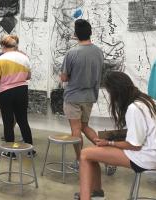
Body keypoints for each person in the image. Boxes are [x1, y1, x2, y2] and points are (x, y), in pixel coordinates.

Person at [77, 71, 156, 200]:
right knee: (92, 153)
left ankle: (86, 197)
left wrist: (110, 143)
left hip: (146, 158)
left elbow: (134, 146)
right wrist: (112, 137)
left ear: (116, 91)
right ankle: (96, 192)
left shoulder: (134, 108)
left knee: (85, 154)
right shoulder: (150, 101)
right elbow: (143, 132)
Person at [60, 19, 104, 169]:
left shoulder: (72, 52)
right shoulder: (98, 52)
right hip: (90, 96)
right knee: (85, 126)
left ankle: (80, 161)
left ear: (75, 34)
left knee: (76, 129)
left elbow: (64, 77)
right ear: (90, 33)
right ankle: (107, 156)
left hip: (73, 97)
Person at [0, 35, 34, 159]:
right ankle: (30, 150)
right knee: (23, 120)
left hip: (6, 92)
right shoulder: (24, 57)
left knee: (8, 122)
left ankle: (10, 152)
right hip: (22, 91)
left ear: (3, 46)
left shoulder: (0, 60)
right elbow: (28, 76)